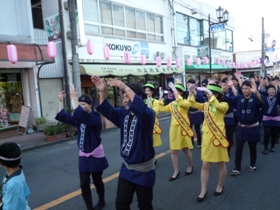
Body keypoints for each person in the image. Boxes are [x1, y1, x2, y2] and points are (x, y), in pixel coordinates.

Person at [91, 76, 155, 210]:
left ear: (137, 97)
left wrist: (124, 86)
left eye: (127, 96)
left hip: (144, 170)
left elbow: (142, 110)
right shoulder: (123, 114)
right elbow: (107, 110)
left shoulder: (148, 115)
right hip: (127, 168)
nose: (124, 100)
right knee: (121, 204)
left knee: (144, 206)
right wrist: (102, 91)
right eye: (123, 96)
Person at [55, 87, 108, 210]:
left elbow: (83, 116)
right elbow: (64, 117)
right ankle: (89, 207)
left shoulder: (95, 117)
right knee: (84, 183)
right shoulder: (79, 118)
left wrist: (74, 98)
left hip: (95, 155)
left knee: (97, 180)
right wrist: (60, 101)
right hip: (83, 156)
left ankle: (101, 201)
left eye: (83, 104)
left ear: (90, 105)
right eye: (80, 105)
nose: (81, 107)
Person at [188, 83, 229, 203]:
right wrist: (191, 92)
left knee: (220, 164)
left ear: (216, 94)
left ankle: (220, 185)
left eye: (208, 93)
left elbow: (219, 107)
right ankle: (203, 190)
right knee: (205, 164)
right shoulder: (206, 105)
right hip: (207, 138)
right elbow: (192, 104)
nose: (206, 95)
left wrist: (210, 95)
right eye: (206, 92)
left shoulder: (223, 104)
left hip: (218, 138)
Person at [159, 82, 194, 181]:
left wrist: (174, 90)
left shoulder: (186, 102)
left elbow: (182, 103)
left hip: (183, 129)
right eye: (174, 91)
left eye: (178, 91)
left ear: (182, 93)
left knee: (185, 149)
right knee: (173, 151)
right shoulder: (172, 104)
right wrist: (161, 97)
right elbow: (162, 109)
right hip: (174, 129)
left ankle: (190, 166)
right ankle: (176, 171)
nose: (175, 93)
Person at [230, 80, 262, 176]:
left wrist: (256, 92)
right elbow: (228, 99)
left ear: (250, 89)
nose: (244, 90)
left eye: (247, 88)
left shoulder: (255, 98)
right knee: (238, 148)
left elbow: (261, 103)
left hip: (253, 128)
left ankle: (252, 164)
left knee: (253, 148)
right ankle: (237, 167)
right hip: (241, 128)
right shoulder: (239, 98)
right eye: (243, 88)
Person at [0, 142, 31, 210]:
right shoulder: (15, 172)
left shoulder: (14, 184)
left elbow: (11, 208)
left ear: (1, 163)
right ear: (21, 157)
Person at [144, 83, 162, 165]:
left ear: (152, 92)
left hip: (153, 124)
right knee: (145, 142)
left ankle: (153, 158)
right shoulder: (142, 101)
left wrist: (150, 106)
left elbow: (156, 113)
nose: (147, 92)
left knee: (151, 142)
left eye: (148, 91)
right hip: (144, 124)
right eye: (145, 90)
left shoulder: (156, 101)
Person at [260, 84, 280, 154]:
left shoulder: (277, 98)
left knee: (274, 134)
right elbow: (258, 94)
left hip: (276, 119)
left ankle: (272, 146)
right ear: (267, 91)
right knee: (267, 134)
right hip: (266, 118)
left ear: (275, 90)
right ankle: (266, 148)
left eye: (273, 89)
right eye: (270, 89)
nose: (271, 91)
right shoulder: (264, 98)